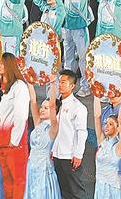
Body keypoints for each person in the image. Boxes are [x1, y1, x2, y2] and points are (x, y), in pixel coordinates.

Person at [0, 54, 30, 199]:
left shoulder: (19, 87)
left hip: (14, 143)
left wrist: (14, 140)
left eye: (2, 63)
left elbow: (21, 115)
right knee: (6, 181)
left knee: (18, 180)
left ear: (10, 65)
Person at [52, 70, 88, 199]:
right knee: (62, 190)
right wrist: (52, 149)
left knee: (76, 191)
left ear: (72, 86)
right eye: (59, 82)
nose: (60, 85)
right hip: (56, 154)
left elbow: (82, 132)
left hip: (70, 156)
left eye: (63, 82)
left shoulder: (78, 107)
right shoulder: (56, 104)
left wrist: (78, 154)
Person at [25, 77, 61, 199]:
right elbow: (33, 100)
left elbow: (52, 106)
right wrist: (29, 80)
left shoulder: (53, 128)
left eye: (46, 108)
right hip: (31, 166)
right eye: (42, 107)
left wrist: (52, 84)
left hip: (43, 169)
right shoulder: (38, 123)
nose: (42, 109)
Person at [92, 91, 121, 197]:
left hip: (113, 190)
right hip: (100, 187)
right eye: (106, 123)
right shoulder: (102, 141)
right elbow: (97, 116)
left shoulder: (120, 146)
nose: (106, 126)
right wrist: (96, 94)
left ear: (118, 128)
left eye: (111, 124)